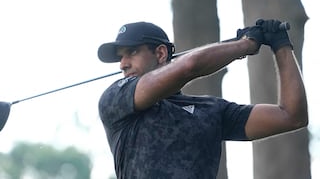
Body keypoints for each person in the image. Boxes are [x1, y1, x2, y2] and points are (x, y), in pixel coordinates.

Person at [97, 20, 308, 179]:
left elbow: (291, 116)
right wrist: (246, 45)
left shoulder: (210, 110)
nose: (122, 64)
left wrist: (281, 45)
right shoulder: (116, 99)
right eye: (120, 56)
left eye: (132, 52)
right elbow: (189, 67)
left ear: (161, 53)